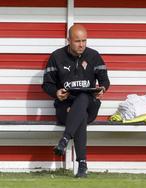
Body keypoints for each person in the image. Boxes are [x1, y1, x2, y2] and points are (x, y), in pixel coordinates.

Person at [42, 24, 110, 178]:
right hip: (65, 106)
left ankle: (65, 139)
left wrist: (102, 89)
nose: (81, 45)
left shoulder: (94, 56)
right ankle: (82, 165)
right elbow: (47, 84)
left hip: (90, 106)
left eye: (84, 41)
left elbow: (105, 81)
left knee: (84, 96)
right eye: (77, 41)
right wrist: (56, 92)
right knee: (80, 117)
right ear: (68, 40)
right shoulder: (56, 57)